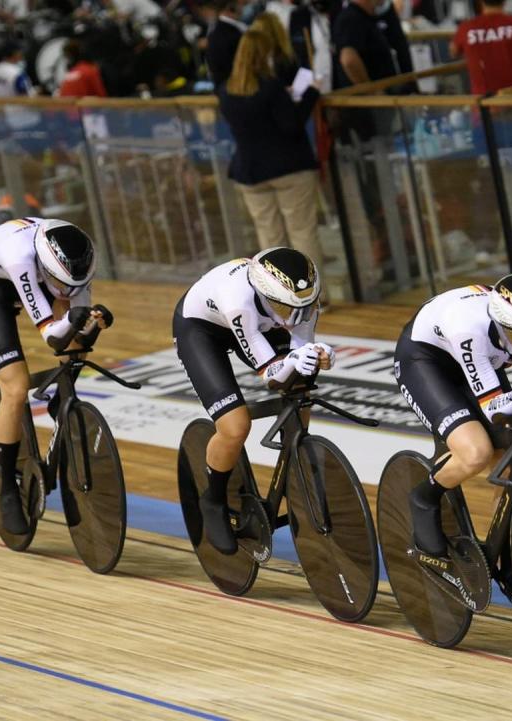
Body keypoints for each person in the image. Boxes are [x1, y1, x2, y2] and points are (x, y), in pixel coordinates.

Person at [394, 274, 512, 579]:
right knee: (476, 452)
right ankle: (424, 498)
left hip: (479, 361)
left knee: (508, 463)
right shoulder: (469, 329)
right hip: (427, 360)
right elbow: (494, 409)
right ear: (503, 326)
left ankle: (505, 549)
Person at [172, 247, 335, 554]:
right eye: (284, 308)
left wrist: (317, 356)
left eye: (303, 308)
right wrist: (293, 360)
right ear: (265, 294)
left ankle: (295, 458)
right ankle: (213, 500)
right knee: (235, 426)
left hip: (256, 324)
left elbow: (300, 350)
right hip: (201, 330)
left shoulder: (300, 302)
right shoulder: (240, 303)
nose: (294, 319)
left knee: (300, 386)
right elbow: (271, 374)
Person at [0, 218, 111, 534]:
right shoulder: (19, 257)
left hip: (46, 275)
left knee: (76, 336)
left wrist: (91, 326)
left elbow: (77, 333)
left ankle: (61, 397)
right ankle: (7, 485)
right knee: (16, 388)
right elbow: (51, 336)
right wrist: (75, 319)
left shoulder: (80, 256)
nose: (68, 293)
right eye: (64, 287)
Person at [219, 25, 328, 301]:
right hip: (288, 166)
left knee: (270, 238)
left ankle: (278, 298)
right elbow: (290, 125)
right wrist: (311, 94)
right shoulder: (271, 87)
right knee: (302, 232)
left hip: (250, 171)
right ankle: (311, 295)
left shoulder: (226, 91)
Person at [205, 0, 247, 89]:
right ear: (230, 8)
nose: (243, 7)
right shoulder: (232, 34)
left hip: (226, 89)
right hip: (236, 89)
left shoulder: (216, 31)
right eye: (239, 4)